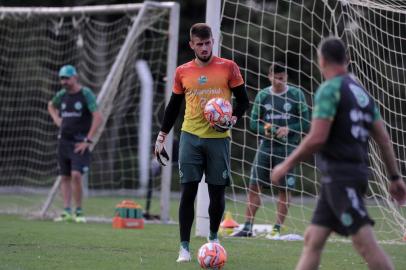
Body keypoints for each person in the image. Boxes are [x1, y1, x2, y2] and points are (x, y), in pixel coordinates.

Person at [271, 37, 406, 270]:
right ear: (347, 59)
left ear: (321, 60)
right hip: (348, 176)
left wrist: (286, 164)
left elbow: (317, 137)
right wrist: (394, 177)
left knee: (366, 245)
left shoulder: (329, 89)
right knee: (313, 238)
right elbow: (383, 137)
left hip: (341, 177)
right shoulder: (360, 91)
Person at [154, 23, 249, 263]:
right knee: (188, 192)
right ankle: (184, 248)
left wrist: (232, 118)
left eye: (208, 43)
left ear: (212, 42)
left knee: (217, 194)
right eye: (200, 44)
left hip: (218, 140)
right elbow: (174, 105)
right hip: (190, 137)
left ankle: (213, 238)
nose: (204, 48)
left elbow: (244, 101)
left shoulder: (229, 67)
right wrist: (162, 135)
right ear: (192, 45)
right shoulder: (182, 71)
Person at [232, 62, 310, 239]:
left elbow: (306, 122)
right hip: (266, 147)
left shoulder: (296, 95)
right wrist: (272, 130)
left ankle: (276, 228)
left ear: (287, 78)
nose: (279, 81)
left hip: (288, 149)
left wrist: (289, 129)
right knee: (254, 185)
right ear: (270, 77)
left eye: (282, 78)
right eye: (276, 78)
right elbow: (253, 123)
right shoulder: (263, 95)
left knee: (284, 189)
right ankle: (247, 227)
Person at [48, 65, 103, 223]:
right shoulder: (62, 95)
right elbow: (50, 105)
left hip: (79, 142)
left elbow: (98, 117)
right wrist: (57, 119)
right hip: (63, 141)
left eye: (67, 78)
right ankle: (66, 211)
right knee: (64, 177)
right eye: (62, 78)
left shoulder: (85, 94)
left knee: (76, 175)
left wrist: (88, 140)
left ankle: (79, 211)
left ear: (75, 77)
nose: (64, 81)